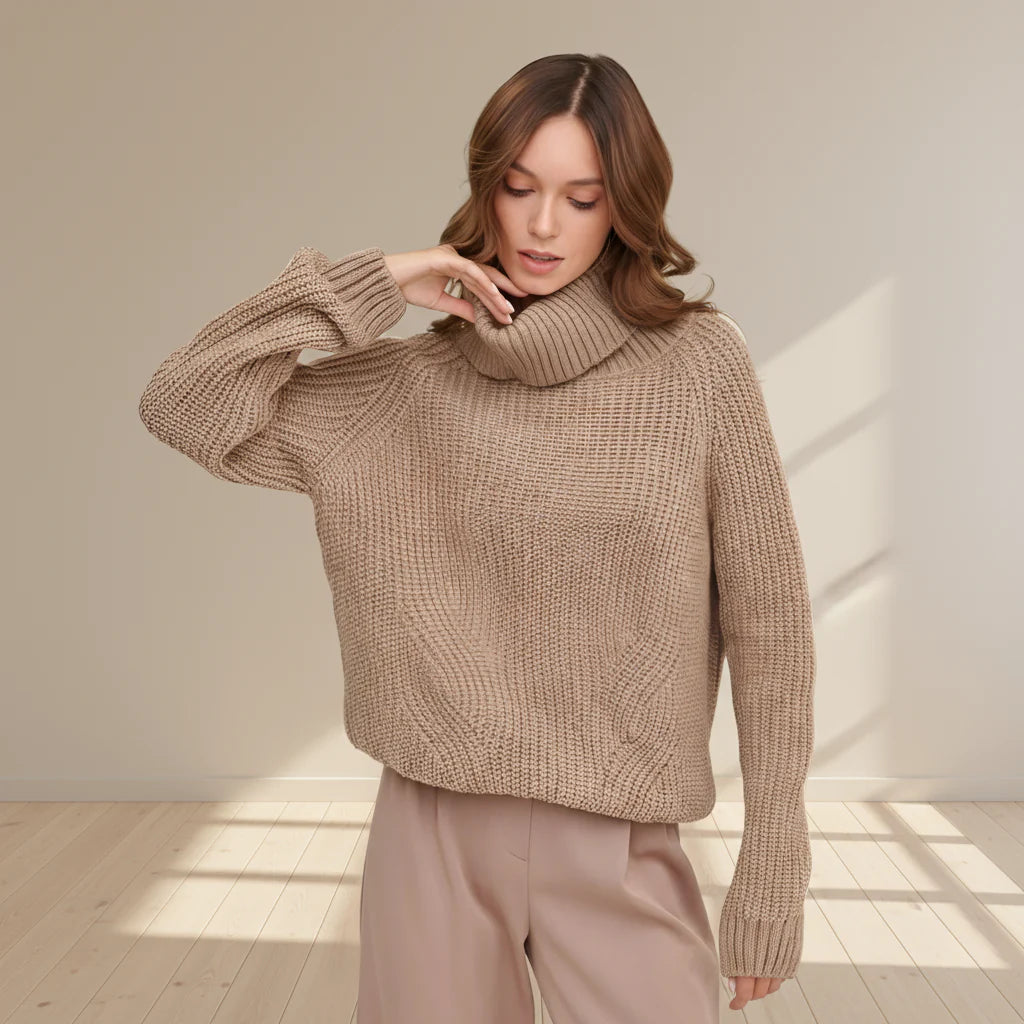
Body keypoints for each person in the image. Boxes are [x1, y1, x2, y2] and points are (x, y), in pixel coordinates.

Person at [138, 52, 815, 1023]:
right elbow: (185, 403)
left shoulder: (697, 366)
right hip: (432, 830)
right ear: (485, 188)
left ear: (624, 204)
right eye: (520, 187)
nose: (543, 225)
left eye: (581, 198)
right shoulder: (399, 387)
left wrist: (773, 863)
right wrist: (373, 281)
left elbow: (770, 622)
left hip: (622, 836)